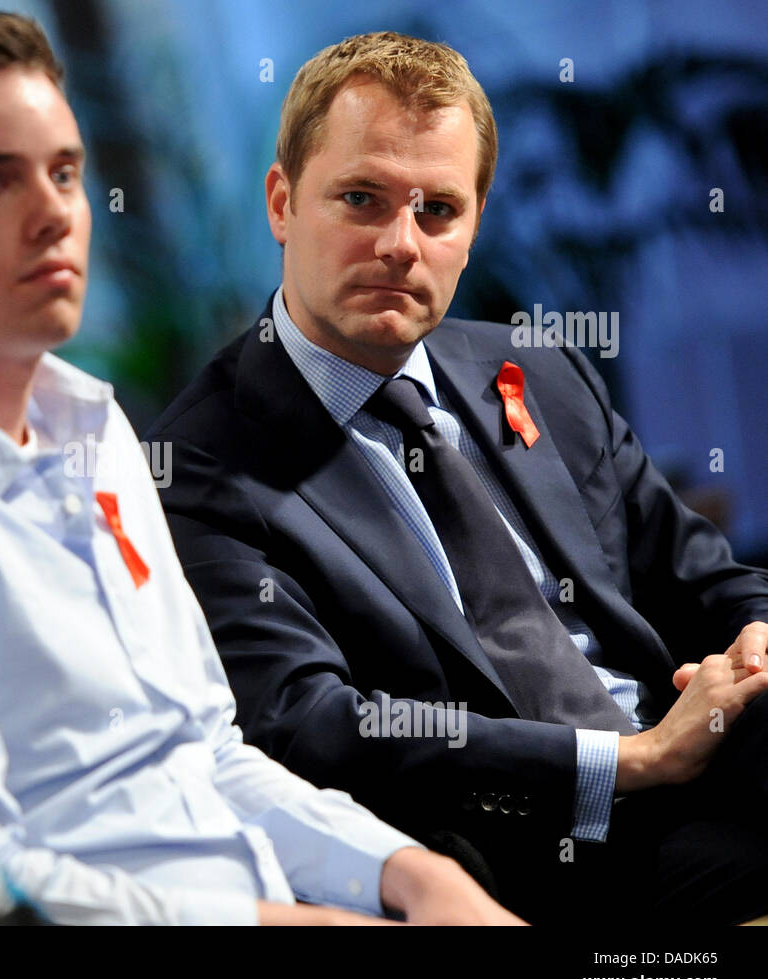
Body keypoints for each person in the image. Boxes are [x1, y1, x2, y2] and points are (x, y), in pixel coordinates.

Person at [0, 8, 520, 926]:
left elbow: (204, 747)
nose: (52, 215)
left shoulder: (91, 425)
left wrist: (409, 875)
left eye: (64, 173)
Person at [145, 30, 768, 924]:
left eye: (437, 210)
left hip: (696, 761)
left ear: (473, 225)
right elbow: (311, 726)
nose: (401, 244)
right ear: (282, 202)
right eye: (361, 199)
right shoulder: (200, 465)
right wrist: (628, 762)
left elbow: (711, 577)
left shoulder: (537, 370)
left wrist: (754, 645)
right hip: (514, 847)